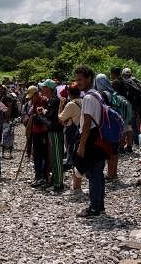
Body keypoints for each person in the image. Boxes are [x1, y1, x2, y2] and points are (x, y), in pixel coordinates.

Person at [74, 65, 108, 217]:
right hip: (100, 137)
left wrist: (81, 146)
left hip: (91, 138)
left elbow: (86, 124)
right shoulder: (97, 94)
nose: (78, 83)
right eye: (76, 79)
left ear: (89, 79)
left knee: (93, 174)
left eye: (80, 79)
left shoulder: (88, 97)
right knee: (98, 173)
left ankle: (94, 208)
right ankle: (99, 206)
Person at [58, 83, 82, 191]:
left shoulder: (70, 104)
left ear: (69, 93)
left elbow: (61, 118)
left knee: (71, 155)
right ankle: (78, 182)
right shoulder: (84, 101)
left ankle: (76, 184)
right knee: (78, 155)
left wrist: (61, 105)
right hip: (81, 130)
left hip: (71, 131)